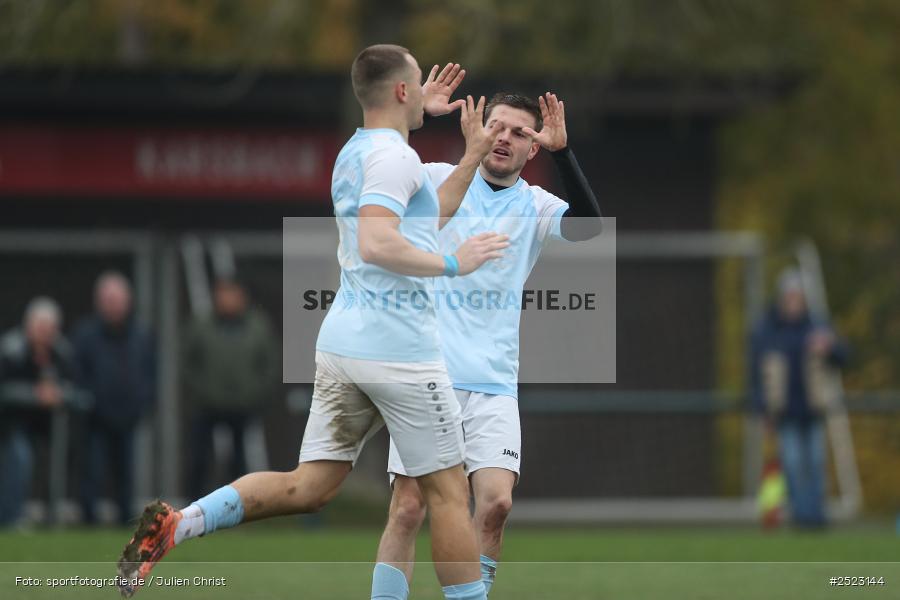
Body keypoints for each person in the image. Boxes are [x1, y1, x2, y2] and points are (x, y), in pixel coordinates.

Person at [117, 45, 507, 600]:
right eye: (418, 81)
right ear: (401, 91)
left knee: (309, 486)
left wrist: (470, 156)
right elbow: (377, 243)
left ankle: (178, 524)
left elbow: (420, 221)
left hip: (346, 345)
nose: (426, 90)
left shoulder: (358, 151)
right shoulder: (394, 158)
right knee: (448, 495)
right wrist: (453, 263)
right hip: (399, 348)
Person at [371, 92, 602, 599]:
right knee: (409, 507)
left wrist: (564, 153)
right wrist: (415, 116)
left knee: (496, 504)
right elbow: (376, 170)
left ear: (533, 149)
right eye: (497, 126)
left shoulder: (535, 205)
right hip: (427, 374)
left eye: (520, 133)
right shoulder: (438, 178)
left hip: (494, 384)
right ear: (478, 127)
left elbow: (588, 228)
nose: (504, 138)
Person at [750, 268, 848, 528]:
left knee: (816, 463)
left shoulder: (817, 325)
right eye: (790, 297)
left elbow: (844, 356)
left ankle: (816, 516)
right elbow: (756, 375)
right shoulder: (768, 330)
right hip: (784, 411)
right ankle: (801, 516)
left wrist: (829, 347)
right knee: (793, 463)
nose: (794, 302)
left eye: (799, 297)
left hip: (813, 409)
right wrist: (762, 409)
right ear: (782, 299)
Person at [182, 276, 278, 499]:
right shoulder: (202, 325)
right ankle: (193, 507)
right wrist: (200, 389)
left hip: (242, 405)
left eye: (232, 294)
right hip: (207, 404)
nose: (227, 300)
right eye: (222, 294)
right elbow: (187, 360)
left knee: (239, 461)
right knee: (199, 459)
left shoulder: (257, 326)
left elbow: (269, 362)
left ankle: (237, 505)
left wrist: (256, 392)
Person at [74, 272, 156, 525]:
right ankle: (88, 520)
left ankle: (125, 520)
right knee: (92, 471)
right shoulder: (85, 334)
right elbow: (77, 373)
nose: (113, 306)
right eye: (108, 300)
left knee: (126, 473)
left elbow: (150, 373)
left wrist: (143, 402)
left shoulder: (141, 335)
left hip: (128, 416)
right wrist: (90, 401)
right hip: (95, 416)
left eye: (117, 300)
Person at [0, 297, 83, 526]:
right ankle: (11, 517)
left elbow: (74, 385)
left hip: (48, 426)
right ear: (29, 325)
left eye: (50, 329)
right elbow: (5, 389)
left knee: (63, 456)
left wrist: (59, 393)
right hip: (10, 426)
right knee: (20, 458)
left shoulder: (62, 352)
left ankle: (53, 517)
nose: (45, 334)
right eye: (41, 328)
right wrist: (34, 394)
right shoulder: (10, 350)